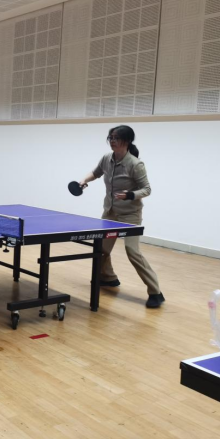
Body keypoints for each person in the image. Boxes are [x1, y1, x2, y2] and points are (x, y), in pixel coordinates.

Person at [78, 125, 164, 309]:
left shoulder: (135, 164)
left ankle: (155, 292)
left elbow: (147, 189)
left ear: (127, 141)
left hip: (130, 215)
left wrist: (130, 195)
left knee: (132, 251)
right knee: (101, 249)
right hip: (110, 212)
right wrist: (84, 180)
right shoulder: (106, 158)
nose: (112, 141)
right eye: (110, 137)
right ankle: (108, 278)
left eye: (116, 138)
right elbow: (96, 172)